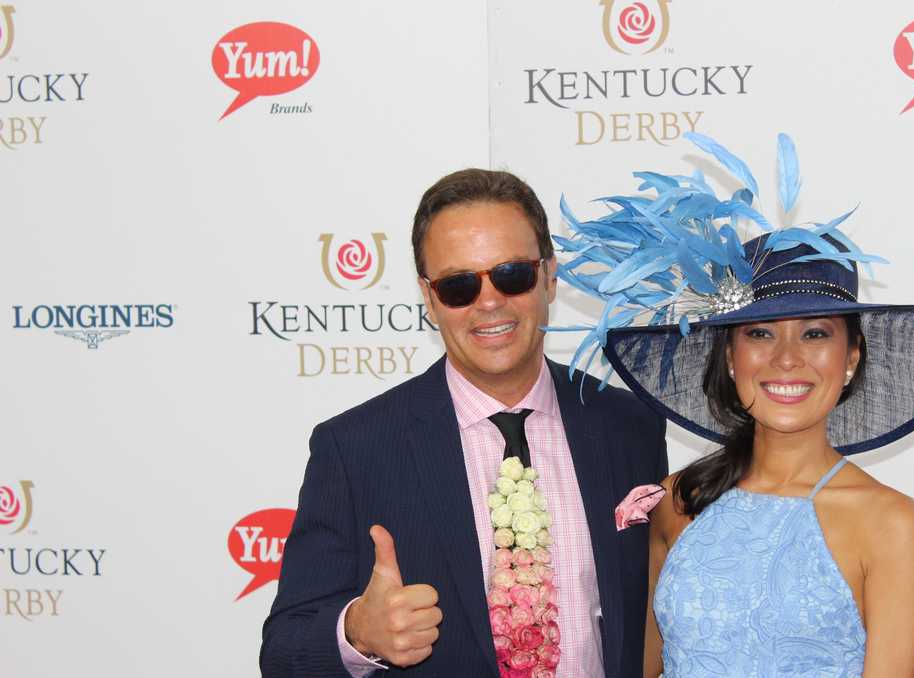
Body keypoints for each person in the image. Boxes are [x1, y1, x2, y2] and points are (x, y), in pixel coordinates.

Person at [553, 133, 914, 677]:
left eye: (814, 334)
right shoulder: (676, 500)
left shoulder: (891, 523)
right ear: (730, 358)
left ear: (851, 357)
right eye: (759, 333)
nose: (785, 359)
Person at [260, 169, 668, 678]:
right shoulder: (355, 448)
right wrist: (358, 633)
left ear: (550, 276)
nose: (490, 301)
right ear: (429, 298)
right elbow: (283, 654)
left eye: (512, 274)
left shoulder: (629, 425)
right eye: (458, 286)